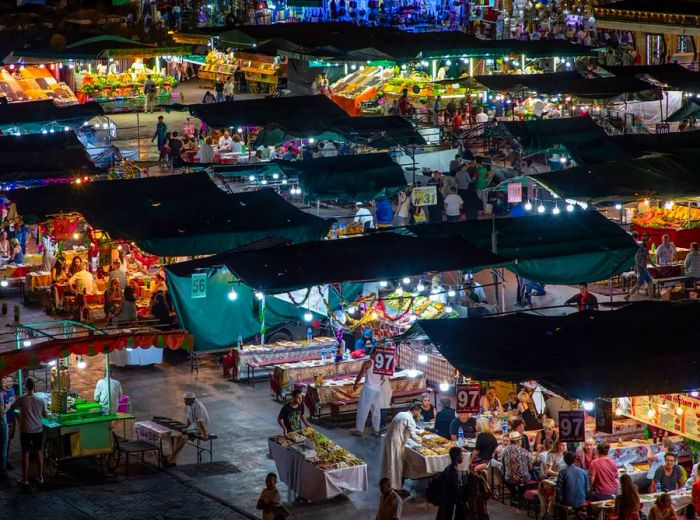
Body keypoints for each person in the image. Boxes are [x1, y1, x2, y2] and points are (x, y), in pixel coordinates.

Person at [12, 378, 48, 485]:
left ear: (25, 387)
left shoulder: (21, 399)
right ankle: (40, 476)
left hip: (25, 430)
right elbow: (45, 415)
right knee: (38, 452)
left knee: (25, 454)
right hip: (38, 429)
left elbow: (13, 406)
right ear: (34, 386)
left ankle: (25, 479)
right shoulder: (41, 400)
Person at [380, 402, 422, 491]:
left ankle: (388, 483)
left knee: (390, 462)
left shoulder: (401, 413)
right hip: (396, 442)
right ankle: (395, 486)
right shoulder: (410, 419)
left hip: (390, 439)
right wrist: (422, 441)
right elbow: (413, 435)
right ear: (415, 411)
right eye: (419, 412)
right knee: (396, 463)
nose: (419, 414)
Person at [167, 391, 210, 465]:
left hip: (200, 427)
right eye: (184, 399)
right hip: (194, 426)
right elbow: (188, 418)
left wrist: (205, 434)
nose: (184, 401)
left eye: (186, 399)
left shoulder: (197, 406)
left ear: (192, 399)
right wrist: (187, 428)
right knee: (178, 436)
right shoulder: (189, 405)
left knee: (184, 438)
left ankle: (172, 456)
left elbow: (201, 422)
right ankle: (174, 458)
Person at [352, 349, 385, 437]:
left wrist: (355, 384)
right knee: (376, 410)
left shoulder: (368, 363)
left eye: (372, 352)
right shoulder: (381, 364)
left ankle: (359, 430)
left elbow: (360, 374)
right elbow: (382, 378)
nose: (370, 354)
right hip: (377, 389)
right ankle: (376, 430)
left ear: (374, 354)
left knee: (363, 408)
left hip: (369, 388)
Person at [435, 447, 465, 519]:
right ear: (457, 457)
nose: (462, 457)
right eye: (461, 455)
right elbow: (455, 489)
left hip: (446, 501)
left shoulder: (449, 468)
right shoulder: (452, 472)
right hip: (448, 502)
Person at [625, 235, 654, 300]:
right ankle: (628, 295)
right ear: (648, 240)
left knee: (650, 282)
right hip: (642, 268)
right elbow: (649, 259)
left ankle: (651, 299)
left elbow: (636, 257)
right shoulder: (644, 247)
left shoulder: (639, 245)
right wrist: (656, 267)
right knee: (639, 284)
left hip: (641, 267)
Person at [2, 376, 15, 470]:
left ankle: (5, 461)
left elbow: (13, 404)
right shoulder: (2, 393)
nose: (9, 383)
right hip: (5, 421)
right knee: (4, 443)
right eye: (7, 381)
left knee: (9, 442)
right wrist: (8, 406)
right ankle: (4, 463)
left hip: (12, 419)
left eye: (11, 381)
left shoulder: (12, 391)